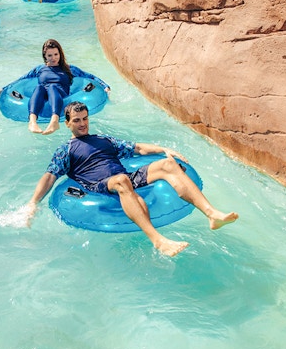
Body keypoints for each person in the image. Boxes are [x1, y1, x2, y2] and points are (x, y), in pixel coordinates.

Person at [26, 101, 239, 257]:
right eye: (77, 120)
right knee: (121, 181)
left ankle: (212, 214)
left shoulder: (104, 140)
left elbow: (137, 148)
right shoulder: (66, 149)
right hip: (99, 185)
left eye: (85, 119)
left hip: (125, 176)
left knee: (168, 165)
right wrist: (33, 203)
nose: (82, 124)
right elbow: (49, 176)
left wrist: (165, 149)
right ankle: (158, 241)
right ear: (67, 123)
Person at [7, 39, 110, 135]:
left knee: (52, 87)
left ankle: (54, 121)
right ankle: (32, 122)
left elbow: (90, 77)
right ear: (45, 56)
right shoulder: (39, 69)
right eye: (50, 55)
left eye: (56, 54)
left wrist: (105, 86)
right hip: (43, 95)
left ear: (60, 54)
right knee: (39, 88)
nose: (53, 58)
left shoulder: (69, 69)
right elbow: (21, 79)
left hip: (60, 94)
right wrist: (4, 89)